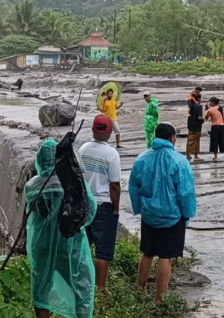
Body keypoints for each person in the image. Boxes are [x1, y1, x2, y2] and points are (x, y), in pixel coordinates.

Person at [25, 139, 97, 318]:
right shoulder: (76, 185)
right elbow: (89, 214)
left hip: (41, 246)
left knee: (41, 288)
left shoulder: (32, 186)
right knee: (80, 287)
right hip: (70, 246)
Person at [128, 123, 197, 304]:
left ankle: (140, 291)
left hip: (149, 215)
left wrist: (139, 209)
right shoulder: (179, 161)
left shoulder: (142, 158)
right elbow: (185, 192)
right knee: (165, 257)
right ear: (172, 138)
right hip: (172, 218)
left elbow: (133, 186)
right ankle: (159, 299)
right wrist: (187, 214)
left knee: (147, 253)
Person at [79, 115, 122, 295]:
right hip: (103, 204)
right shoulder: (111, 154)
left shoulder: (82, 149)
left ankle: (81, 283)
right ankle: (100, 288)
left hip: (84, 203)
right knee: (103, 250)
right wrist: (116, 208)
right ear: (110, 132)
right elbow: (114, 185)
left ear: (93, 130)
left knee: (83, 246)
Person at [205, 97, 224, 163]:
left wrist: (205, 110)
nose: (209, 103)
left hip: (215, 126)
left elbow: (206, 117)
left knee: (215, 142)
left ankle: (216, 157)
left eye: (210, 102)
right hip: (222, 126)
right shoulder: (220, 108)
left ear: (213, 102)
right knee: (223, 140)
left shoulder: (210, 110)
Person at [186, 93, 204, 162]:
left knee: (189, 139)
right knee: (196, 141)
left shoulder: (191, 105)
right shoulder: (199, 106)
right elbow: (199, 117)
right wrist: (203, 119)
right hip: (197, 125)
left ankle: (187, 154)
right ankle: (196, 156)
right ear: (199, 99)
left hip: (190, 124)